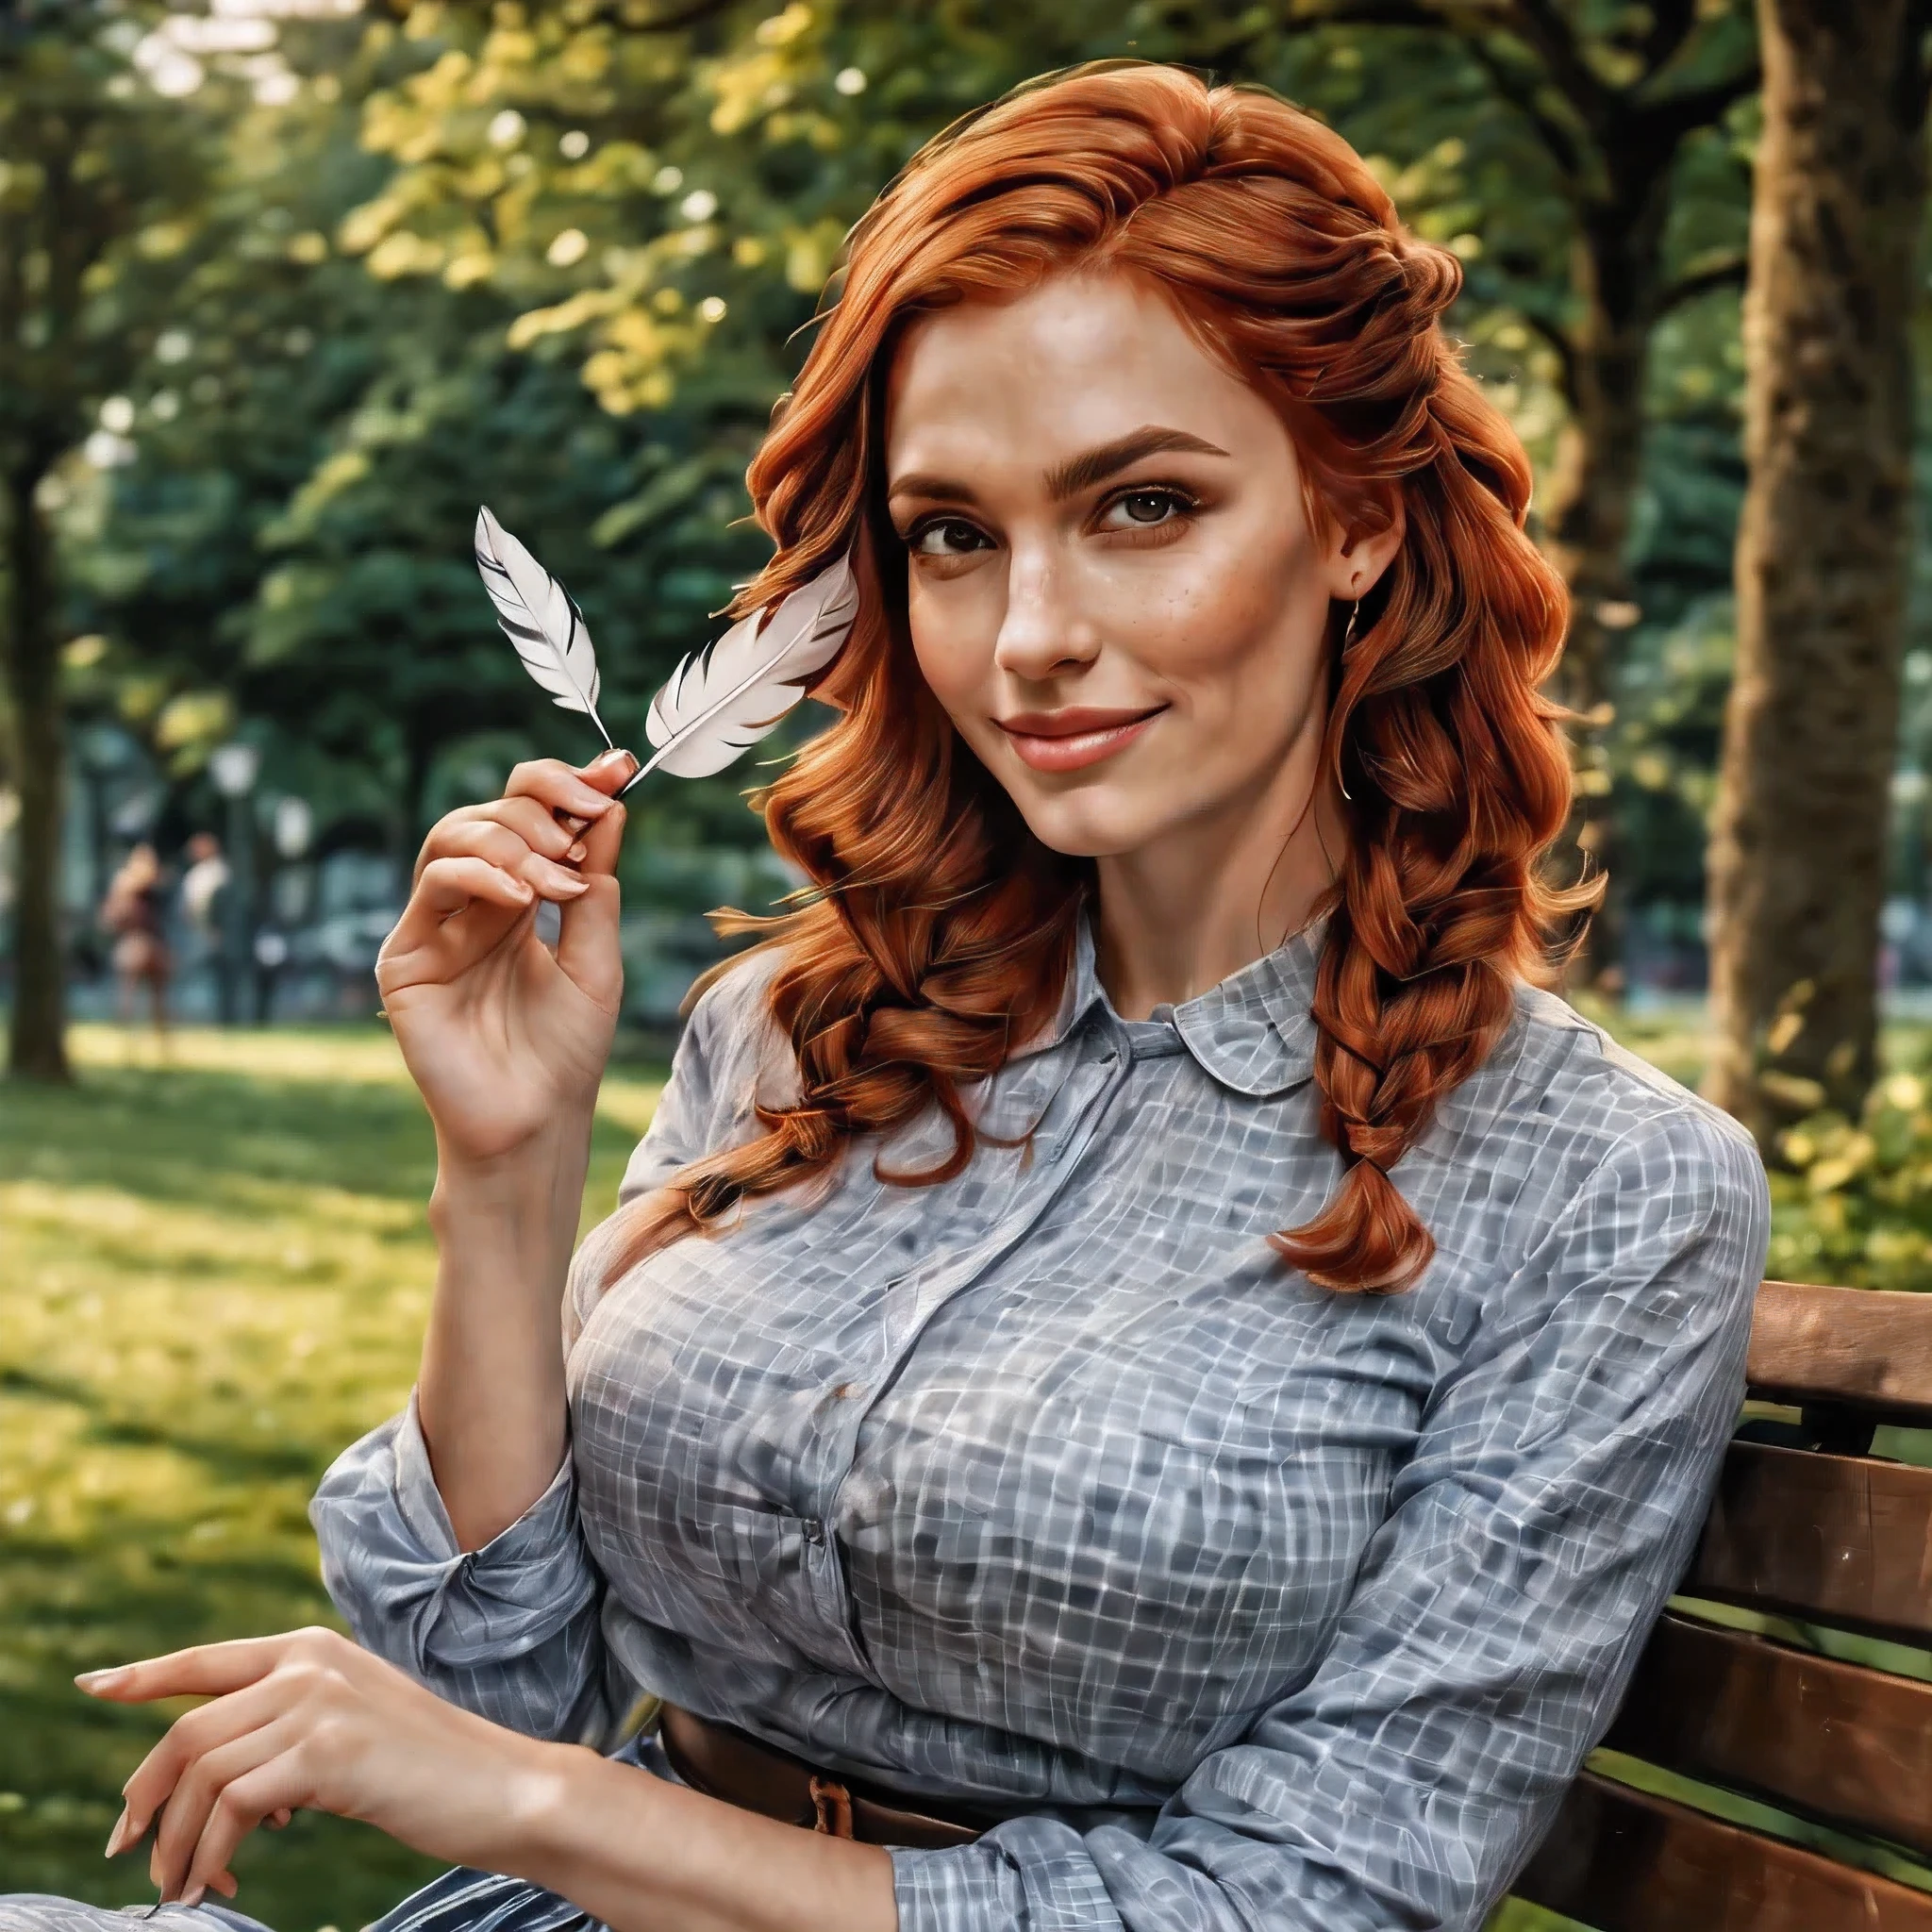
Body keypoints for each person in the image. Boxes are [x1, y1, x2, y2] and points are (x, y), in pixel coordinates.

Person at [0, 63, 1772, 1932]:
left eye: (1143, 505)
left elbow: (1296, 1909)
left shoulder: (1597, 1192)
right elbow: (490, 1683)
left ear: (1358, 523)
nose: (1027, 636)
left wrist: (536, 1803)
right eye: (952, 535)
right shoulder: (797, 1034)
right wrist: (503, 1171)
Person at [98, 841, 172, 1040]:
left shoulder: (148, 885)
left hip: (147, 941)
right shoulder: (130, 885)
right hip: (138, 940)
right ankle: (135, 1037)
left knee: (146, 995)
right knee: (135, 994)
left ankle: (152, 1038)